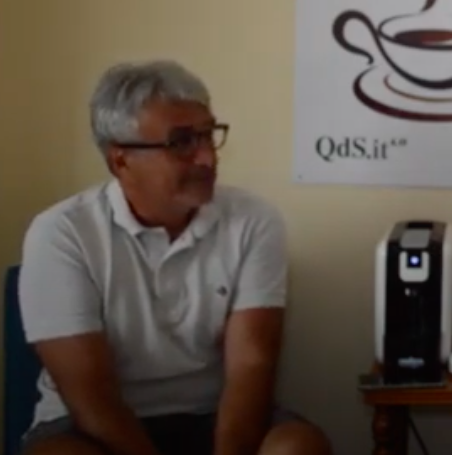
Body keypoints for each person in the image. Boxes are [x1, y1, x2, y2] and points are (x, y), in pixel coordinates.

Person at [16, 60, 332, 455]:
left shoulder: (253, 219)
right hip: (92, 427)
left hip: (211, 414)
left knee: (298, 447)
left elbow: (251, 366)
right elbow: (90, 397)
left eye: (208, 135)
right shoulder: (62, 233)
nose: (207, 158)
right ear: (120, 160)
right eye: (181, 142)